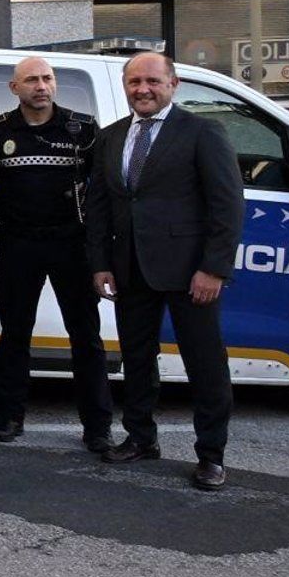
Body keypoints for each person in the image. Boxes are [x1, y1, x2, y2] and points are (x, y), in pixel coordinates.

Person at [87, 51, 244, 491]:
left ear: (173, 84)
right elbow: (100, 205)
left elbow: (227, 205)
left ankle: (211, 455)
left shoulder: (201, 132)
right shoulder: (112, 137)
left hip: (190, 274)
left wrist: (213, 268)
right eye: (135, 81)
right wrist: (100, 263)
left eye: (153, 81)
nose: (143, 89)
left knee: (205, 364)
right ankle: (141, 439)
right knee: (137, 361)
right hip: (130, 270)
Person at [0, 56, 114, 450]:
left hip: (71, 245)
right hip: (19, 244)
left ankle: (97, 427)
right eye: (31, 80)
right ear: (15, 88)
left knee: (86, 337)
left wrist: (100, 251)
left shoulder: (83, 130)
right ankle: (9, 418)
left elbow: (102, 194)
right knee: (15, 335)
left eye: (47, 79)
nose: (40, 86)